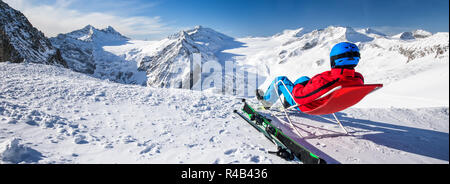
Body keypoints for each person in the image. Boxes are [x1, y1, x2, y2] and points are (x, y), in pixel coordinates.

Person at [256, 42, 365, 110]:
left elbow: (299, 97)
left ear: (334, 59)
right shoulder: (358, 78)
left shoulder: (326, 81)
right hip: (326, 101)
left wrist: (298, 86)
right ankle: (287, 101)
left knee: (280, 80)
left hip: (306, 104)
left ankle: (266, 102)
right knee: (304, 79)